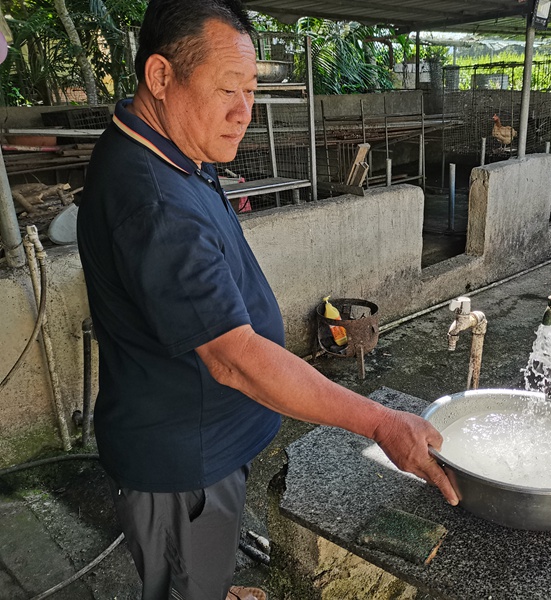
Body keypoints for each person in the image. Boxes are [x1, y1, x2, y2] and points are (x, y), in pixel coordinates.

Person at [76, 2, 457, 599]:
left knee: (204, 568)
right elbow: (233, 359)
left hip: (208, 441)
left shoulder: (169, 147)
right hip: (183, 466)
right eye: (227, 89)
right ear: (160, 77)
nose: (243, 113)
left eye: (251, 90)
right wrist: (380, 421)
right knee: (186, 582)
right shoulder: (152, 198)